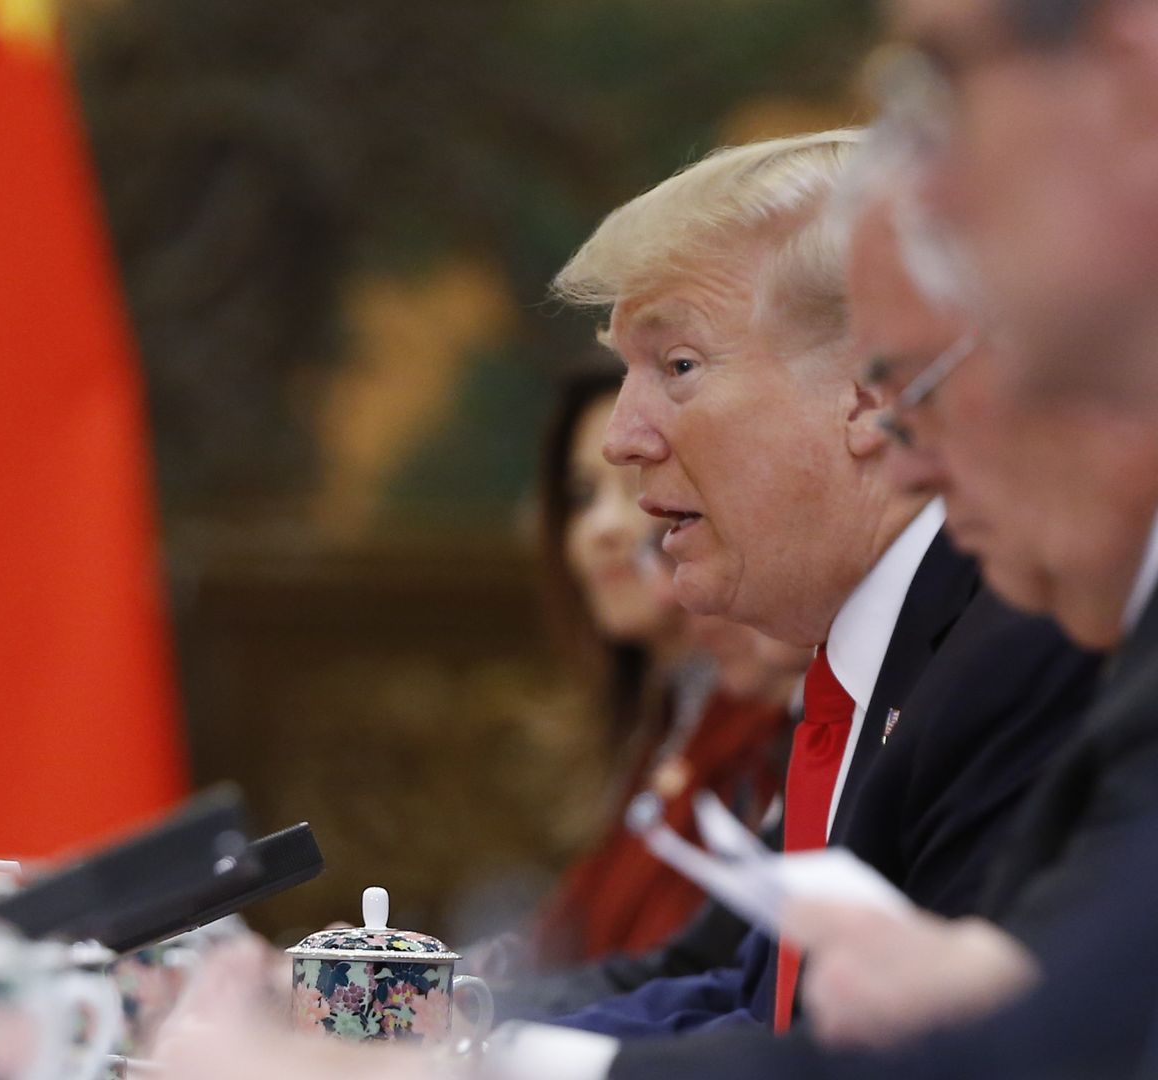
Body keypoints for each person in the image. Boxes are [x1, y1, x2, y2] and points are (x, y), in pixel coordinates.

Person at [148, 129, 1098, 1080]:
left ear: (868, 389)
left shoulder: (1014, 652)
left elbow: (924, 1066)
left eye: (677, 366)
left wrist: (432, 1070)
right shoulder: (871, 657)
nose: (622, 439)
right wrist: (371, 1024)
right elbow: (741, 993)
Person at [522, 370, 797, 970]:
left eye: (634, 491)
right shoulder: (669, 715)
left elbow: (694, 975)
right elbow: (563, 949)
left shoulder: (767, 712)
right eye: (582, 496)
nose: (603, 529)